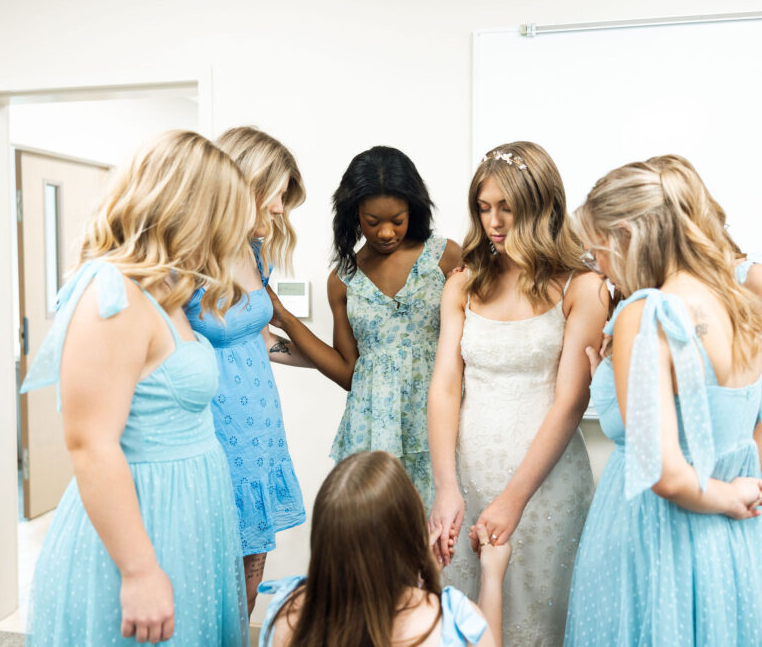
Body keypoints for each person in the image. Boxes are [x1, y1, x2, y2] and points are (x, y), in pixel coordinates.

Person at [20, 130, 252, 645]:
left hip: (187, 516)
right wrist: (140, 571)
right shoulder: (114, 293)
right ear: (192, 209)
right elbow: (90, 444)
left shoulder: (164, 289)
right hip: (145, 523)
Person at [564, 154, 762, 645]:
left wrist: (729, 499)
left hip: (657, 537)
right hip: (727, 548)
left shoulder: (648, 313)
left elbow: (663, 471)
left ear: (625, 235)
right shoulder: (739, 300)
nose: (599, 269)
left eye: (596, 251)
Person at [427, 142, 608, 645]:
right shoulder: (463, 282)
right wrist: (446, 486)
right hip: (467, 476)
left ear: (542, 205)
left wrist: (514, 498)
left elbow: (571, 401)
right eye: (483, 208)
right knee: (466, 619)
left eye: (506, 208)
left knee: (542, 619)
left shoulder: (583, 286)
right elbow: (445, 386)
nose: (493, 222)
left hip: (545, 485)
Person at [267, 146, 460, 508]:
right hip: (374, 430)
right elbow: (348, 373)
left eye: (397, 220)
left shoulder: (445, 256)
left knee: (442, 542)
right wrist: (288, 320)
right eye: (373, 222)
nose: (386, 232)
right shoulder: (343, 280)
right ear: (353, 214)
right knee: (379, 542)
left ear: (413, 209)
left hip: (439, 421)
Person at [185, 126, 313, 616]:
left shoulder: (255, 254)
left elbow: (261, 342)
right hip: (215, 432)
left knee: (253, 570)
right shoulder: (189, 257)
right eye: (276, 195)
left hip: (259, 430)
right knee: (210, 573)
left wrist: (347, 364)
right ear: (242, 186)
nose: (281, 209)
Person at [258, 451, 511, 647]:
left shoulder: (289, 613)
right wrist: (492, 578)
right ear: (410, 536)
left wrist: (417, 579)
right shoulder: (454, 620)